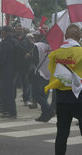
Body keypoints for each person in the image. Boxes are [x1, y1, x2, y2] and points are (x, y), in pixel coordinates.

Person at [45, 24, 82, 155]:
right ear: (79, 36)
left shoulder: (55, 54)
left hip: (61, 99)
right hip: (79, 99)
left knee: (61, 134)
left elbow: (49, 73)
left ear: (66, 36)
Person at [0, 26, 18, 118]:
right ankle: (7, 110)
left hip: (7, 69)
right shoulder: (15, 41)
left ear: (6, 32)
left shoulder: (5, 43)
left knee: (7, 91)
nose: (1, 33)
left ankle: (10, 112)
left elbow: (2, 58)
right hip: (14, 69)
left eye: (2, 31)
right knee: (9, 90)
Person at [32, 35, 55, 122]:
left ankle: (49, 110)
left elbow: (35, 60)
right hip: (49, 73)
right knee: (44, 95)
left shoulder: (38, 46)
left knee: (36, 95)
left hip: (39, 72)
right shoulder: (53, 47)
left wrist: (28, 56)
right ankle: (44, 115)